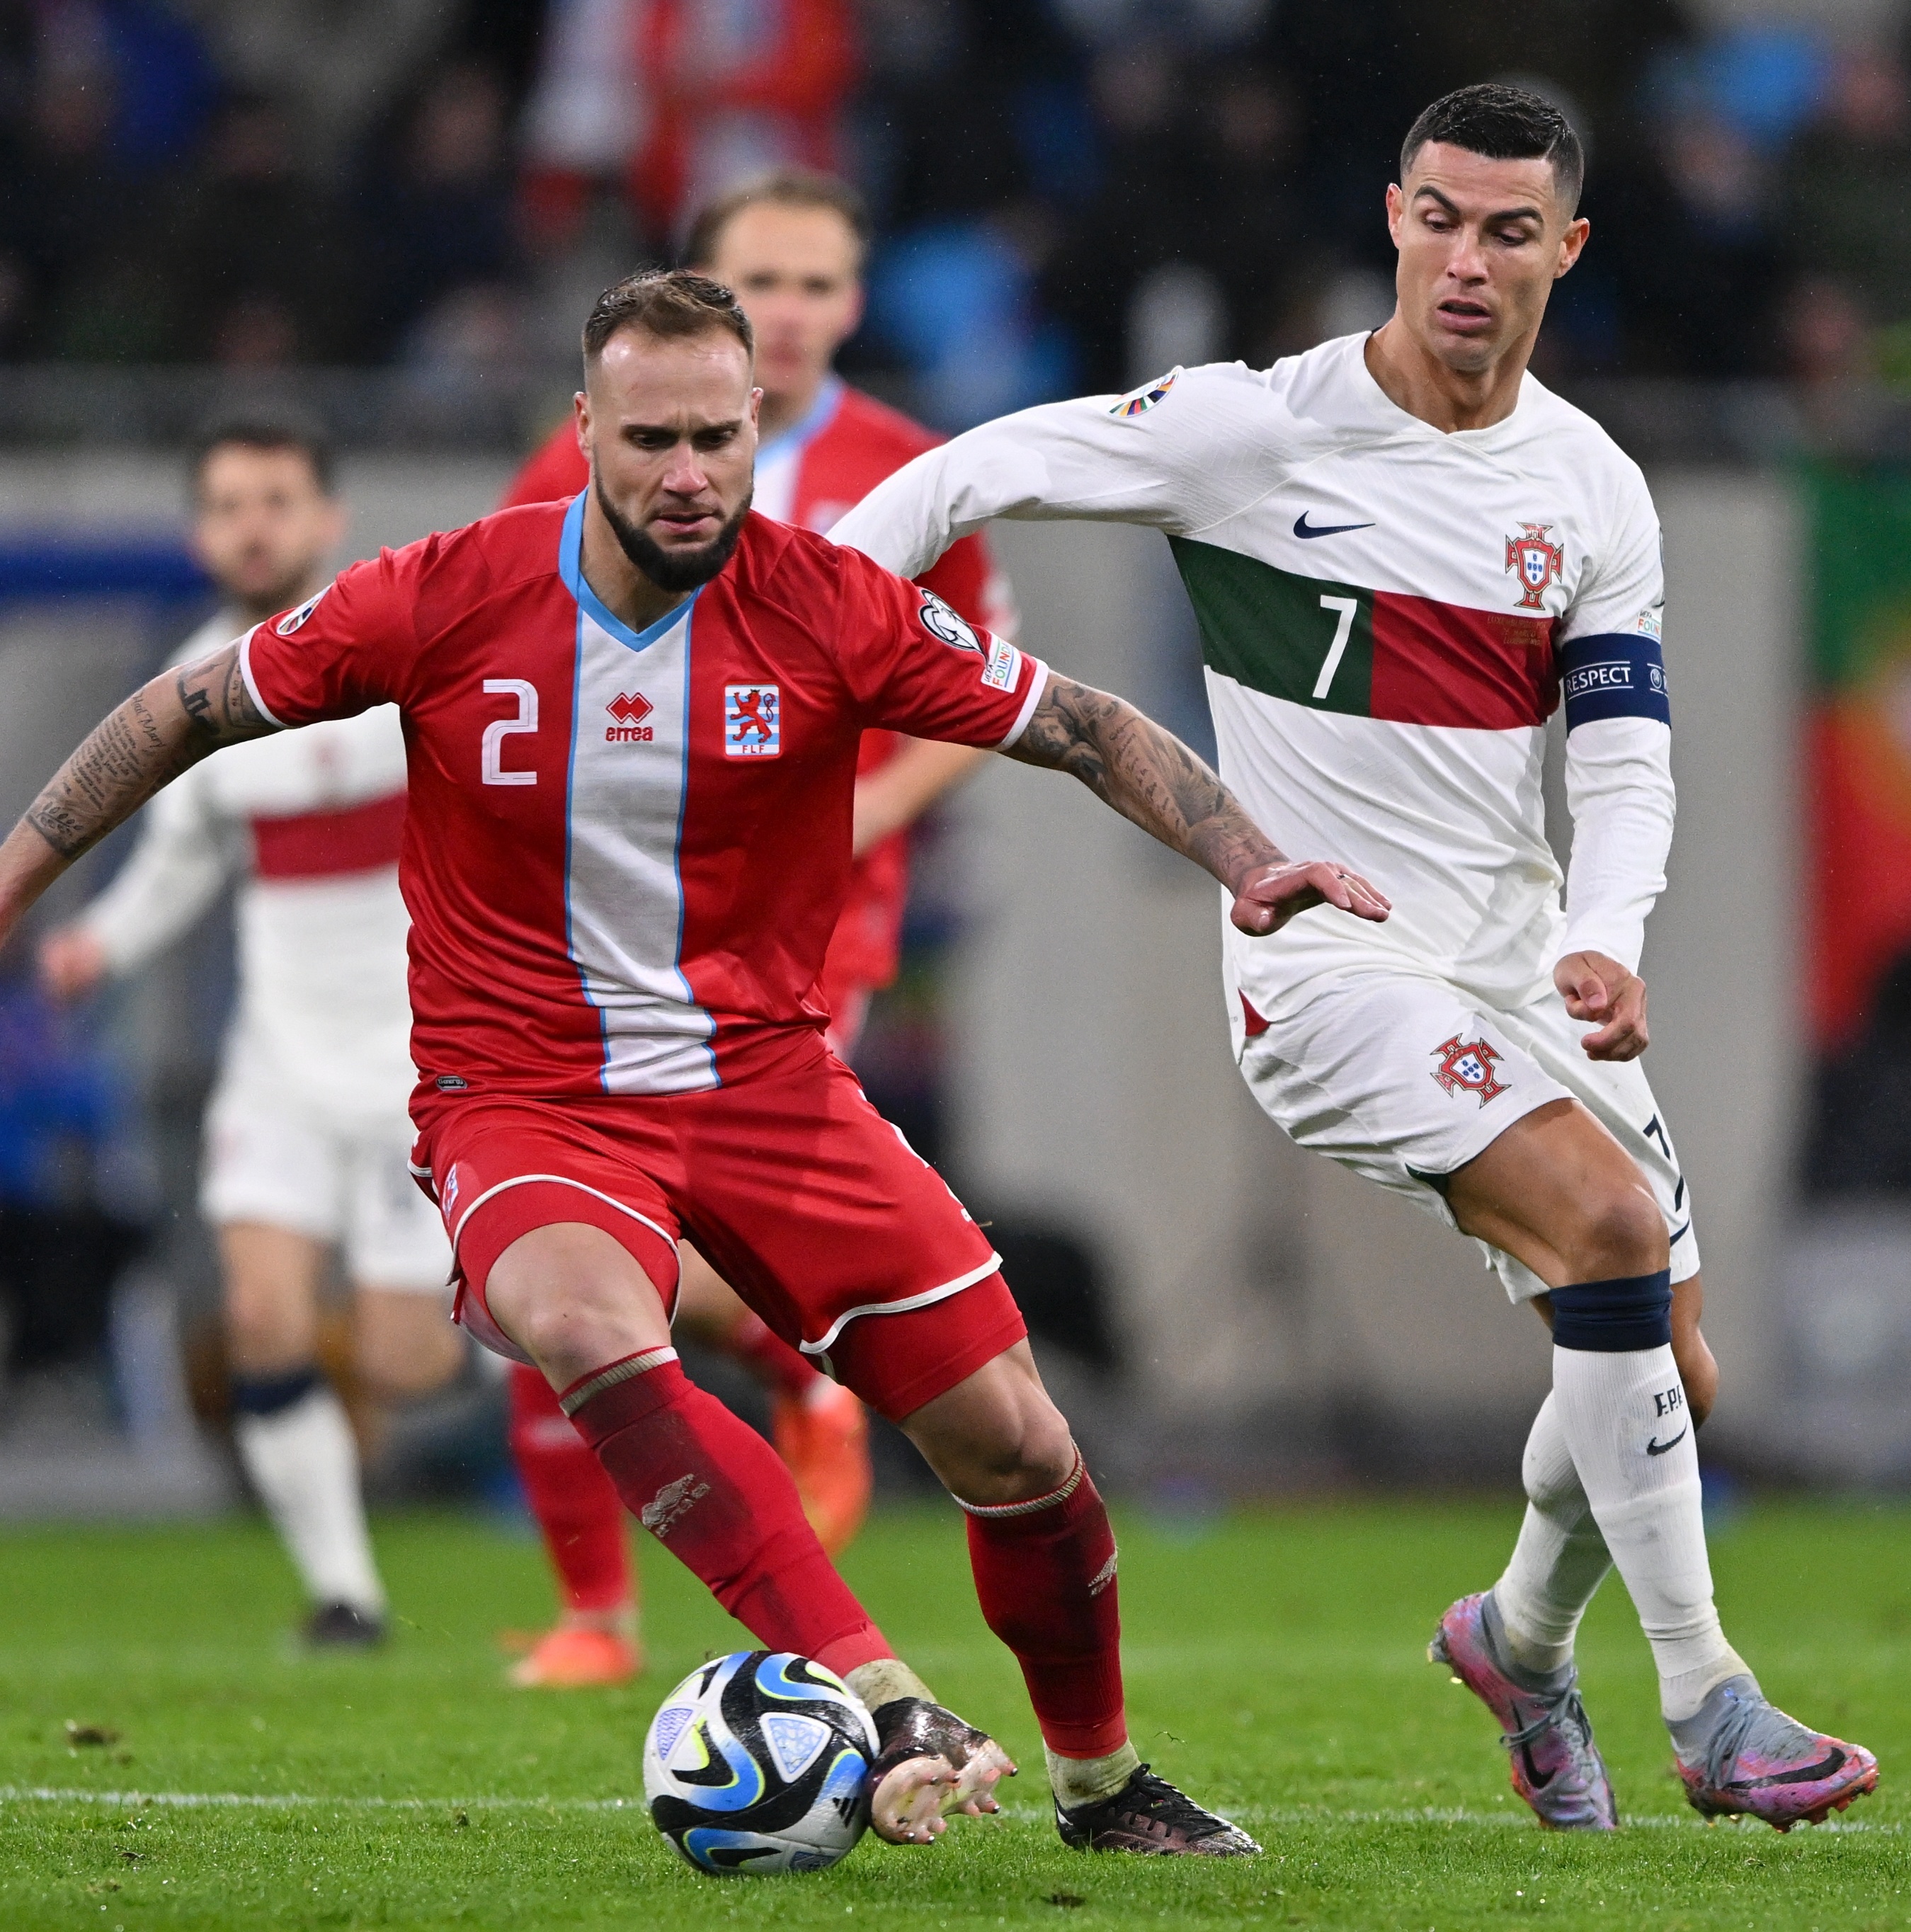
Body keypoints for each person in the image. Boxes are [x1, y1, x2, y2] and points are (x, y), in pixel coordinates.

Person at [0, 268, 1388, 1854]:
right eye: (648, 437)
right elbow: (183, 713)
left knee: (1020, 1448)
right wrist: (16, 879)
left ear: (752, 428)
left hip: (768, 1086)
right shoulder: (441, 592)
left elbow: (1077, 724)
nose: (686, 474)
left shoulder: (831, 601)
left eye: (716, 439)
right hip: (519, 1093)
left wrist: (1246, 858)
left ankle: (1100, 1786)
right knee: (588, 1321)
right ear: (580, 430)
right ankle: (876, 1698)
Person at [830, 84, 1882, 1834]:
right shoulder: (1250, 429)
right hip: (1326, 973)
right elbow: (966, 466)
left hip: (1521, 975)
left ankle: (1516, 1637)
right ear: (1394, 216)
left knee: (1661, 1376)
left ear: (1567, 248)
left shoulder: (1589, 486)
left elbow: (1622, 755)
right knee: (1610, 1241)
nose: (1468, 262)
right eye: (1440, 221)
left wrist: (1603, 938)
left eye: (1509, 231)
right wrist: (836, 612)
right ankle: (1710, 1706)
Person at [495, 166, 1014, 1689]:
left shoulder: (906, 469)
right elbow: (514, 644)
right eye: (761, 282)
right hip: (588, 936)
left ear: (854, 303)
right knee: (571, 1252)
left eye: (817, 285)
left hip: (804, 936)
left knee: (639, 1238)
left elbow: (982, 694)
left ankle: (794, 1400)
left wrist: (851, 820)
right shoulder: (574, 463)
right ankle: (614, 1589)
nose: (789, 314)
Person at [38, 420, 463, 1646]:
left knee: (402, 1364)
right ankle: (347, 1595)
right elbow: (177, 866)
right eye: (228, 503)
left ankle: (516, 1341)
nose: (254, 524)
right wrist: (100, 946)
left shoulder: (406, 660)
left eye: (277, 498)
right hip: (279, 1064)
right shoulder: (189, 696)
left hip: (416, 1069)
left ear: (329, 517)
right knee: (262, 1320)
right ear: (200, 532)